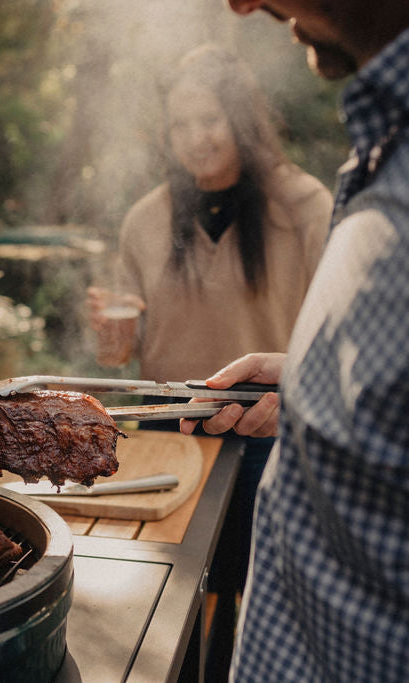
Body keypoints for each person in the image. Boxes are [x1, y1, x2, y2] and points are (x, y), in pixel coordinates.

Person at [178, 2, 409, 681]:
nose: (239, 4)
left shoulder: (310, 203)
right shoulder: (380, 157)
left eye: (208, 120)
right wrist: (312, 385)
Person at [86, 43, 332, 681]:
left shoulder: (303, 206)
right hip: (175, 437)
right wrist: (108, 340)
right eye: (180, 125)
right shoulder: (147, 218)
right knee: (168, 609)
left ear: (242, 122)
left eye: (209, 121)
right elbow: (122, 352)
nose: (195, 139)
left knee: (263, 607)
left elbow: (337, 341)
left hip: (273, 433)